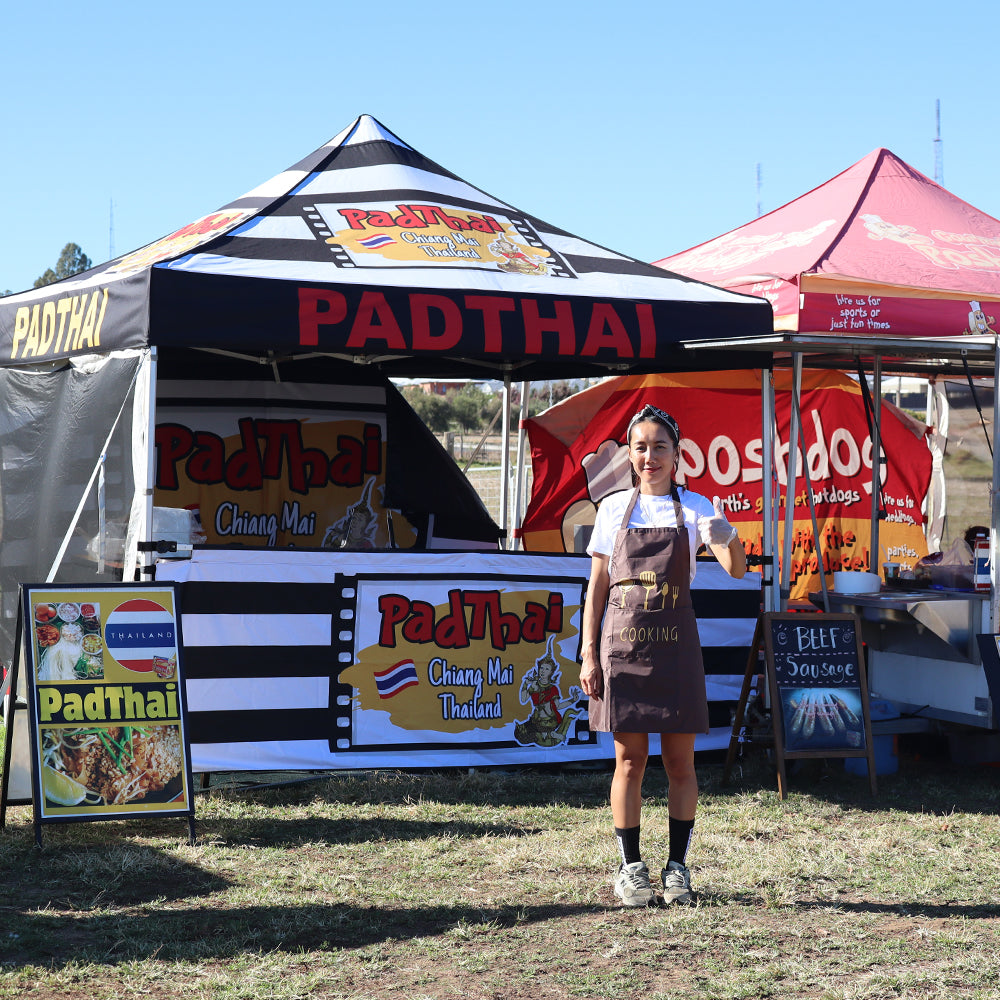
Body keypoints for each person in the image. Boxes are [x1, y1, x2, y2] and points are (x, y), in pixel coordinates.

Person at [580, 404, 747, 907]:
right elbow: (597, 587)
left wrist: (730, 538)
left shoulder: (697, 507)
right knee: (629, 760)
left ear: (677, 454)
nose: (649, 456)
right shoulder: (612, 509)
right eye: (640, 447)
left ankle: (678, 868)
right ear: (629, 455)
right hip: (622, 648)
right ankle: (631, 867)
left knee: (679, 762)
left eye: (660, 446)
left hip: (677, 651)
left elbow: (737, 570)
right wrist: (589, 653)